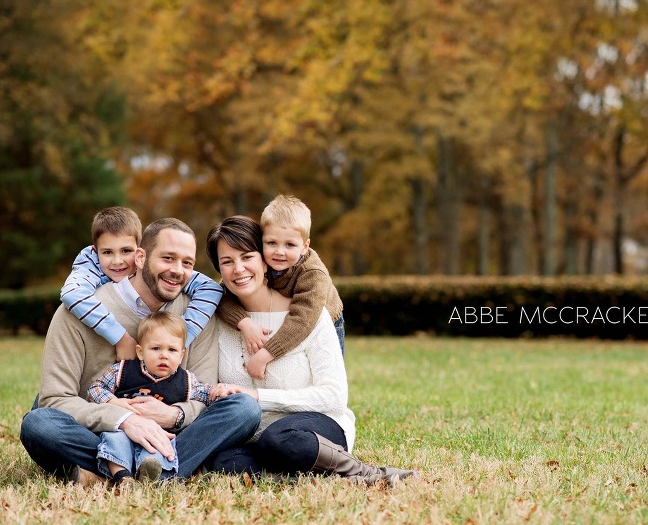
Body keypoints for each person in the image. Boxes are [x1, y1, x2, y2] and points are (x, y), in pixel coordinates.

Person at [20, 218, 262, 486]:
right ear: (140, 257)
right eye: (168, 258)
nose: (177, 270)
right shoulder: (79, 310)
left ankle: (119, 473)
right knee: (39, 424)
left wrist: (174, 415)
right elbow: (56, 399)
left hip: (169, 436)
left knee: (244, 410)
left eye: (187, 263)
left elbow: (203, 394)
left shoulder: (197, 314)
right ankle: (159, 472)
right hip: (100, 432)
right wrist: (125, 420)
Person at [204, 216, 418, 485]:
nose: (238, 269)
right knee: (223, 460)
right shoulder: (217, 320)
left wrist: (257, 396)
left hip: (310, 428)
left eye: (247, 257)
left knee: (280, 439)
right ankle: (297, 479)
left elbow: (334, 397)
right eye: (227, 262)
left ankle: (364, 472)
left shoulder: (308, 316)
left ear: (265, 260)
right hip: (252, 437)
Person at [61, 206, 224, 361]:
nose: (118, 261)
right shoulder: (91, 264)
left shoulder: (163, 271)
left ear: (140, 252)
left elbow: (210, 288)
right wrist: (121, 338)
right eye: (107, 252)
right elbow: (72, 293)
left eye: (126, 251)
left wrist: (180, 338)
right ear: (96, 252)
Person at [216, 195, 344, 380]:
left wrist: (266, 354)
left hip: (322, 318)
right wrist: (245, 323)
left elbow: (302, 320)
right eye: (271, 243)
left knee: (328, 373)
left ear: (304, 247)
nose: (279, 252)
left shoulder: (313, 274)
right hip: (291, 313)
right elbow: (221, 296)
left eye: (290, 245)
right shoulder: (263, 262)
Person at [87, 311, 221, 487]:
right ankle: (122, 477)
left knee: (159, 448)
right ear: (140, 352)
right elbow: (95, 389)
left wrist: (220, 391)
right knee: (115, 439)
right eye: (156, 348)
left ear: (181, 356)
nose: (164, 355)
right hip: (123, 430)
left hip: (157, 434)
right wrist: (114, 402)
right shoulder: (122, 371)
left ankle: (149, 477)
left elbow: (206, 395)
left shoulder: (186, 381)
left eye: (172, 350)